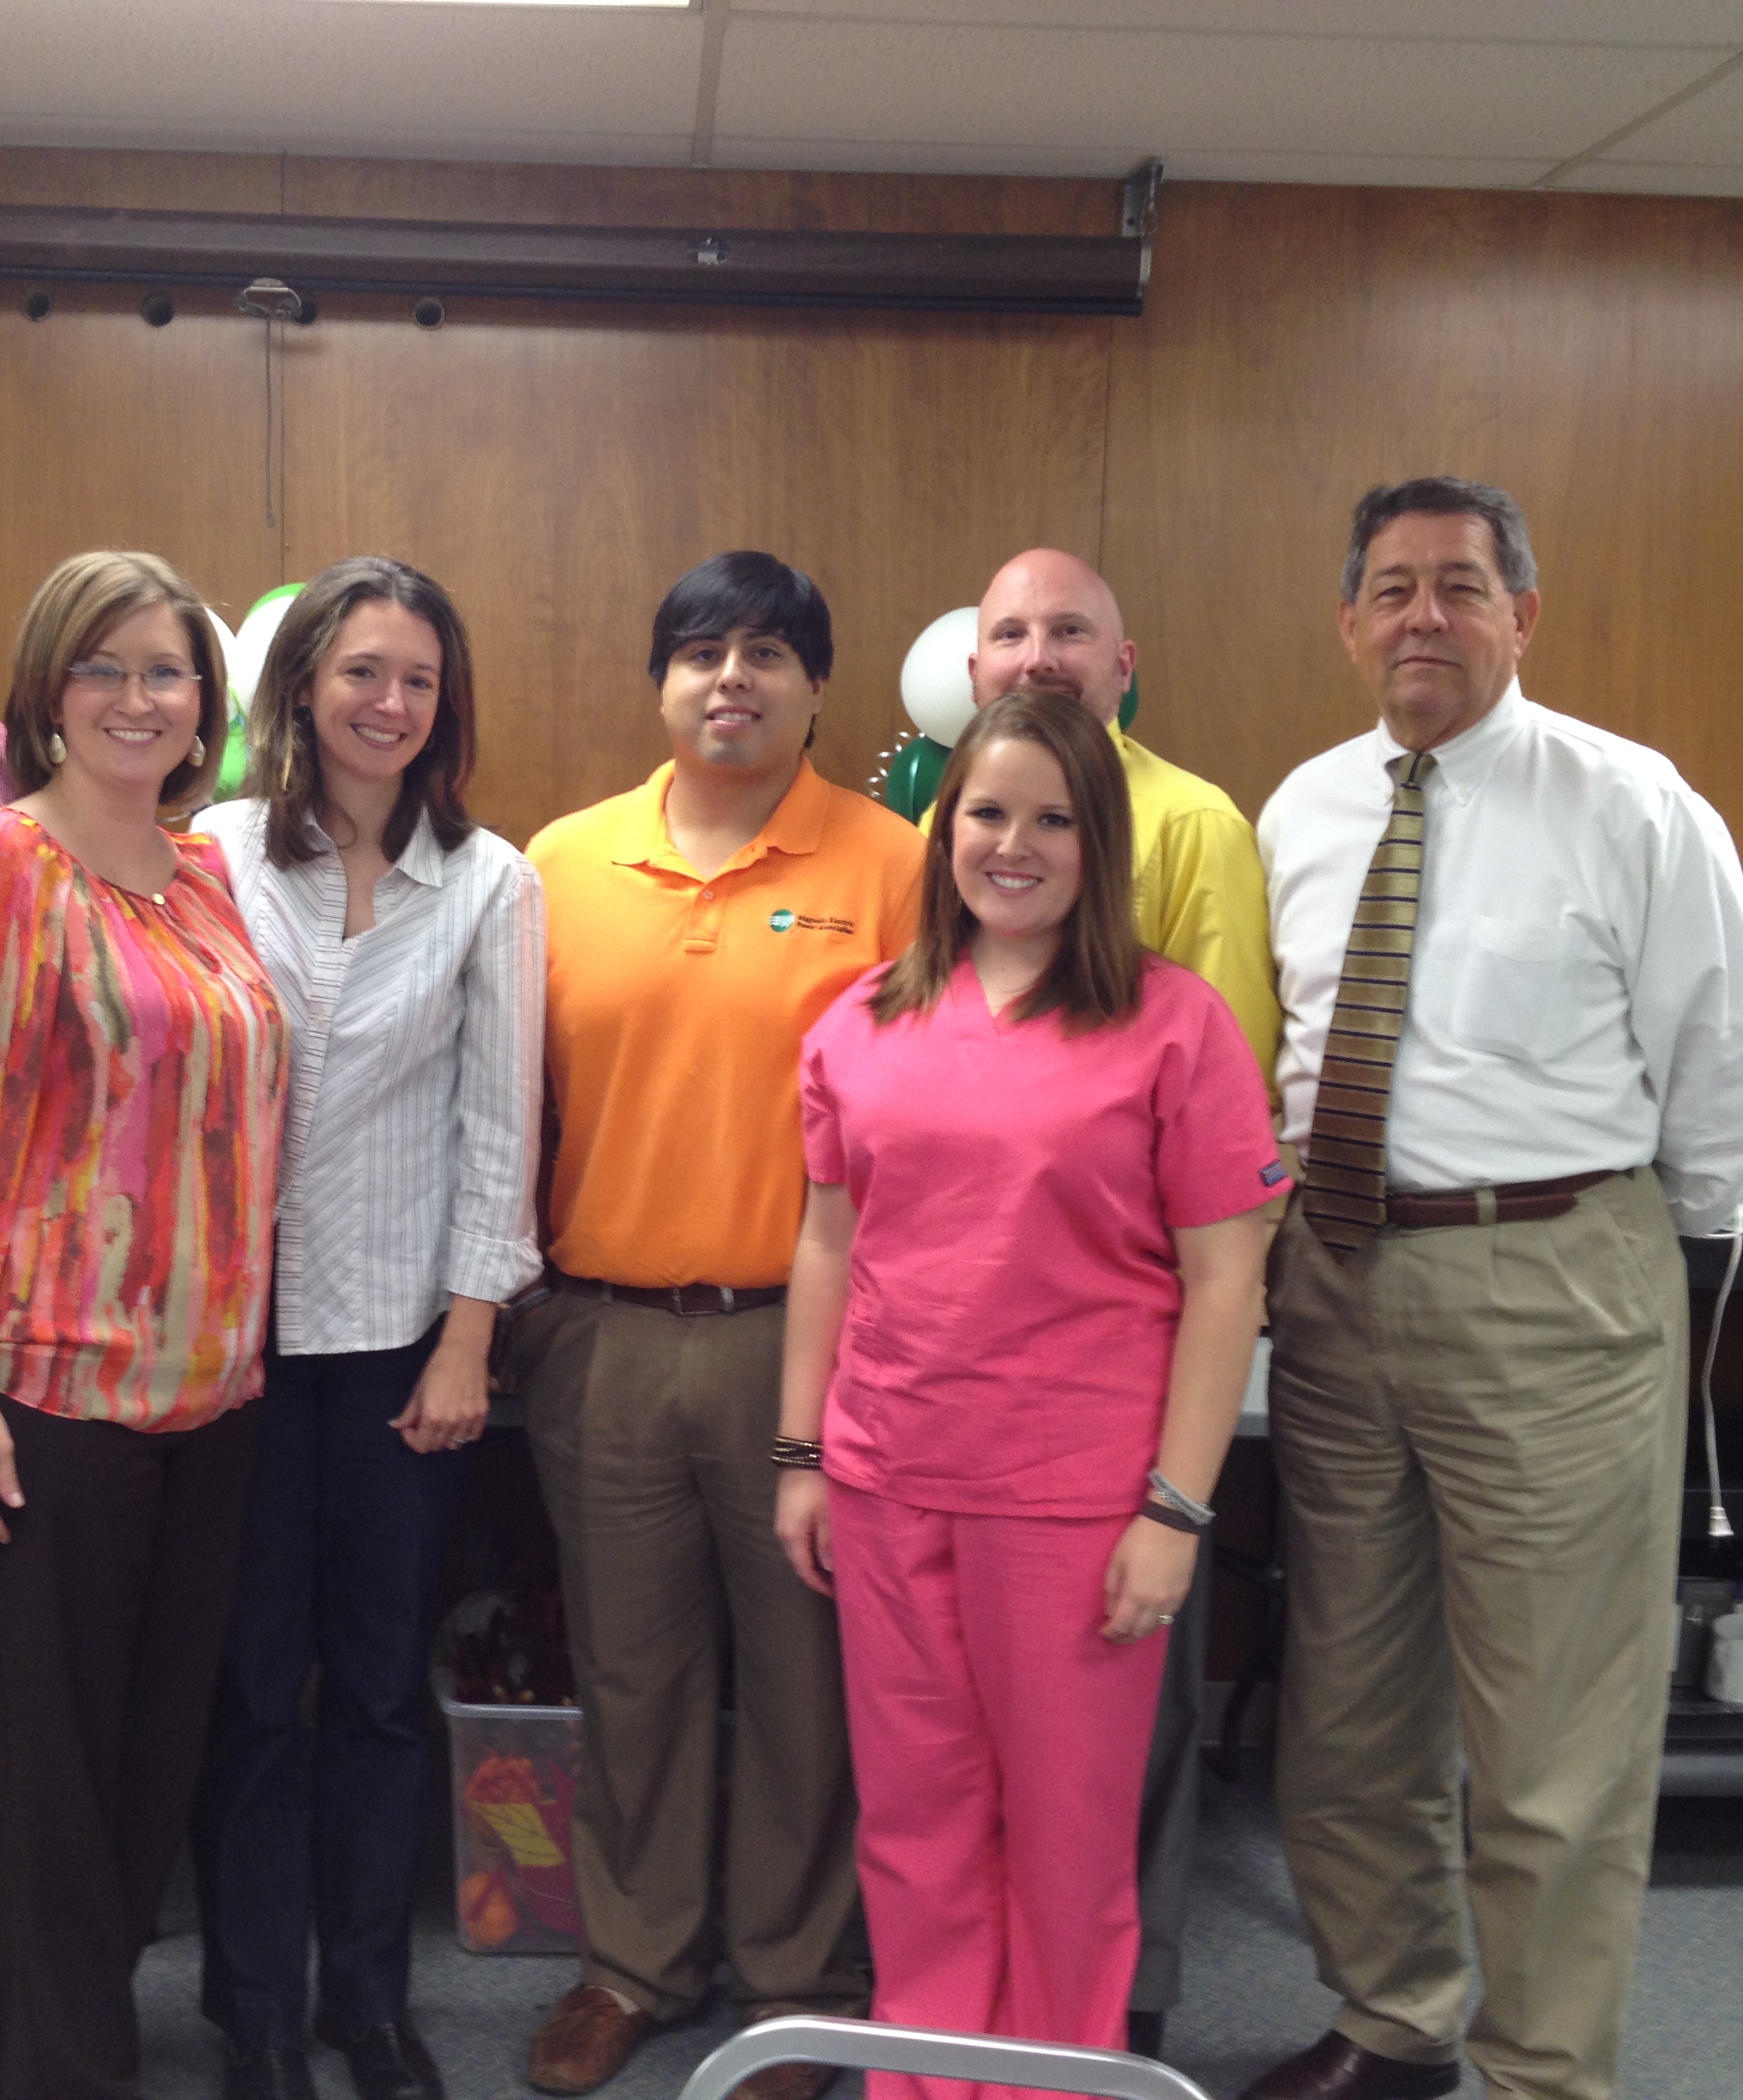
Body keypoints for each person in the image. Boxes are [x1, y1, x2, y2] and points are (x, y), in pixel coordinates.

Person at [1243, 479, 1743, 2100]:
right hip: (1333, 1283)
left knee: (1553, 1745)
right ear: (1348, 623)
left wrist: (1621, 1262)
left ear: (1520, 615)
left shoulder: (1633, 805)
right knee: (1348, 1710)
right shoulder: (1303, 810)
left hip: (1556, 1285)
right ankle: (1390, 2018)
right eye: (1392, 590)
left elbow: (1720, 1071)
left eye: (1459, 587)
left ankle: (1544, 2072)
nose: (1424, 618)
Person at [777, 687, 1278, 2097]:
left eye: (1053, 820)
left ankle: (1059, 2081)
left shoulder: (1173, 1027)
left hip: (1075, 1504)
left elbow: (1226, 1284)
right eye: (988, 813)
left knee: (1064, 1843)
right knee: (918, 1831)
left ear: (1097, 844)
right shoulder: (863, 1019)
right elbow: (827, 1242)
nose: (1015, 844)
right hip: (887, 1482)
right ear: (946, 831)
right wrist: (800, 1453)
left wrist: (1179, 1511)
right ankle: (926, 2081)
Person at [514, 552, 923, 2100]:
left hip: (806, 1344)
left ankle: (799, 1981)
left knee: (806, 1676)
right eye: (699, 652)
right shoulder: (560, 862)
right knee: (630, 1669)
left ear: (821, 687)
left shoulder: (896, 866)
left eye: (766, 654)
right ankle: (632, 1961)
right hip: (601, 1336)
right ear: (660, 681)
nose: (730, 680)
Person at [0, 550, 289, 2100]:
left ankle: (60, 2039)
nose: (138, 697)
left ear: (206, 709)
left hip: (214, 1400)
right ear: (49, 691)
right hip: (43, 1400)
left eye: (168, 671)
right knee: (45, 1783)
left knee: (143, 1768)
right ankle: (48, 2069)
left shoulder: (207, 876)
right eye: (104, 667)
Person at [188, 558, 545, 2100]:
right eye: (361, 673)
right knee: (254, 1684)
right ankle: (258, 2003)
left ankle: (370, 2002)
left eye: (417, 678)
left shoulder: (492, 884)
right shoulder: (207, 858)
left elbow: (498, 1131)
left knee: (384, 1684)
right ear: (303, 690)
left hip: (403, 1344)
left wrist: (470, 1336)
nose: (388, 702)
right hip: (232, 1349)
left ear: (443, 704)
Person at [967, 545, 1282, 2054]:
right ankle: (971, 2017)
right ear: (972, 669)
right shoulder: (946, 813)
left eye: (1070, 630)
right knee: (964, 1748)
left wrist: (1173, 1458)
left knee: (1119, 1720)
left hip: (1123, 1373)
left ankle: (1121, 2007)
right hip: (960, 1389)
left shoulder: (1192, 824)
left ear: (1123, 659)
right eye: (1011, 630)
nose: (1040, 653)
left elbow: (1218, 1140)